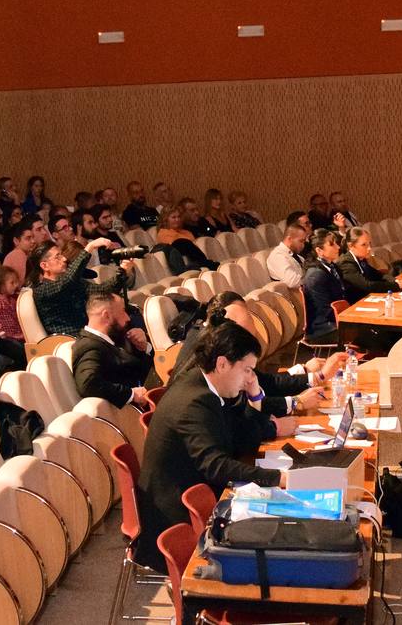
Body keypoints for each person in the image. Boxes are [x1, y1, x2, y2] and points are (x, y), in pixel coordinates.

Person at [133, 325, 291, 571]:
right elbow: (217, 466)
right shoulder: (194, 401)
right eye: (247, 370)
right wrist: (279, 478)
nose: (250, 378)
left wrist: (256, 397)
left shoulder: (207, 387)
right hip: (180, 520)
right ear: (222, 364)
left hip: (198, 497)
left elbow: (241, 438)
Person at [30, 238, 133, 336]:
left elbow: (102, 292)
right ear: (44, 266)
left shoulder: (72, 282)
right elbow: (65, 283)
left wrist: (122, 272)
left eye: (62, 255)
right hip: (68, 340)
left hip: (88, 333)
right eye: (58, 257)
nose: (64, 259)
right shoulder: (41, 290)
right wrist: (90, 247)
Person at [71, 293, 154, 409]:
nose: (127, 318)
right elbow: (88, 384)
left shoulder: (115, 336)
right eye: (122, 311)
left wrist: (145, 347)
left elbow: (138, 368)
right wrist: (131, 394)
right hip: (133, 414)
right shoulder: (89, 346)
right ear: (107, 316)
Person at [300, 229, 347, 339]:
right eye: (332, 244)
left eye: (336, 243)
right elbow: (325, 310)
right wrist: (351, 317)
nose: (338, 247)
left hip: (336, 319)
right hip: (324, 328)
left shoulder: (333, 267)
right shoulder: (316, 275)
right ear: (319, 250)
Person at [336, 227, 401, 303]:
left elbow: (378, 275)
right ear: (351, 246)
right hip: (355, 305)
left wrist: (397, 281)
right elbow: (367, 286)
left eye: (369, 244)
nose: (369, 248)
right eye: (364, 245)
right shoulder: (346, 263)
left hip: (366, 299)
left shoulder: (361, 258)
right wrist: (396, 286)